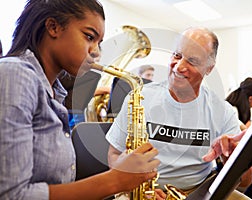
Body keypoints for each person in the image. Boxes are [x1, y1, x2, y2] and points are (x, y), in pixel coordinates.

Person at [0, 0, 160, 199]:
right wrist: (115, 180)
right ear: (53, 27)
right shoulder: (15, 74)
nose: (96, 52)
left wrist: (126, 181)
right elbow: (11, 195)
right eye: (89, 37)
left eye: (99, 43)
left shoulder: (54, 93)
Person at [106, 27, 252, 199]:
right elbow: (114, 155)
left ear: (209, 68)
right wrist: (137, 186)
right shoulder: (139, 98)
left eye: (192, 61)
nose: (180, 66)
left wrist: (232, 159)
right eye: (177, 55)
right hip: (140, 189)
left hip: (199, 192)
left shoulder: (223, 110)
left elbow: (245, 181)